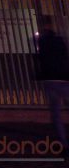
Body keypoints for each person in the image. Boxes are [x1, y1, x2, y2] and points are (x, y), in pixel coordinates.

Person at [37, 20, 69, 148]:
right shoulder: (59, 40)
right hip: (64, 79)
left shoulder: (42, 41)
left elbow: (41, 58)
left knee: (56, 115)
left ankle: (64, 144)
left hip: (50, 80)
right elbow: (65, 56)